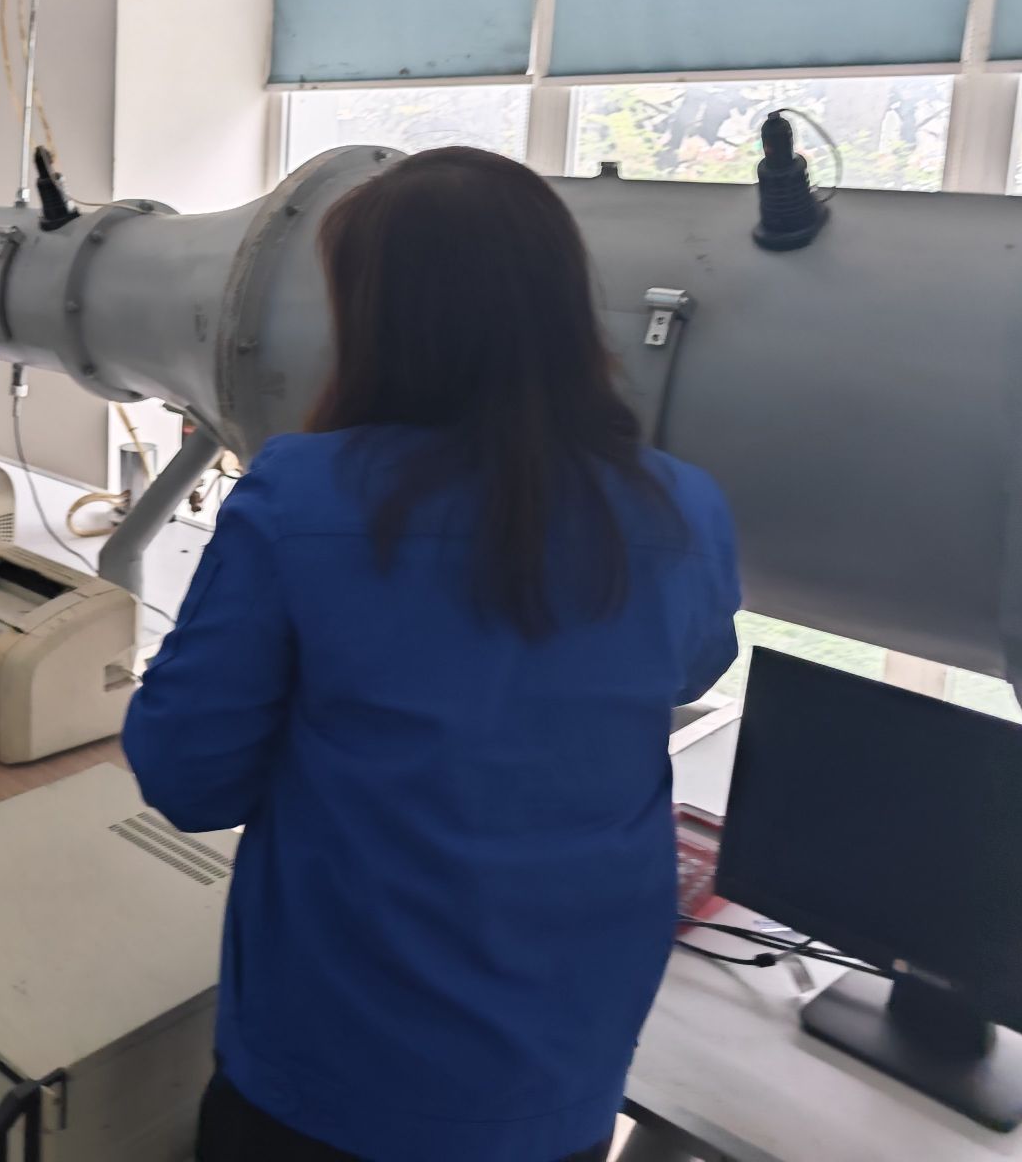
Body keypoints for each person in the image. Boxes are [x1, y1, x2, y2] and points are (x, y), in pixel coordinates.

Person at [122, 148, 741, 1162]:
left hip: (329, 1076)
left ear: (374, 321)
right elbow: (685, 672)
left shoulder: (299, 496)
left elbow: (189, 777)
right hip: (559, 1076)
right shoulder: (685, 509)